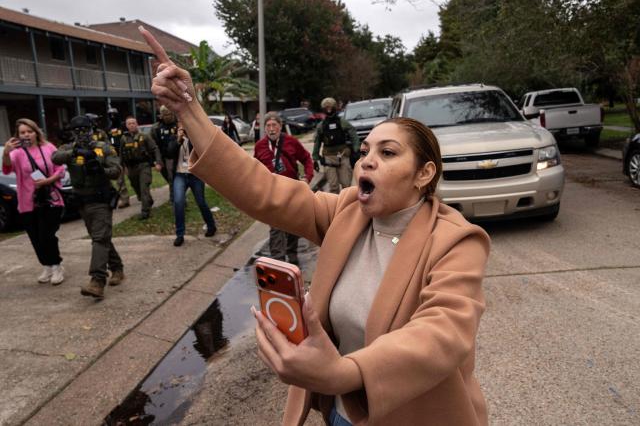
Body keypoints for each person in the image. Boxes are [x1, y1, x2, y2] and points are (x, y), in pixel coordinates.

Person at [142, 28, 491, 426]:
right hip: (341, 414)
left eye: (388, 152)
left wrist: (343, 374)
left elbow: (442, 335)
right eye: (365, 152)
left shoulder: (456, 240)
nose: (367, 161)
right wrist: (190, 111)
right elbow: (264, 191)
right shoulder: (346, 212)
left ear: (424, 173)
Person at [52, 115, 124, 299]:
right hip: (83, 202)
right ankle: (117, 267)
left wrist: (100, 169)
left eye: (85, 130)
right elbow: (55, 158)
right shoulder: (69, 149)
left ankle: (97, 281)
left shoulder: (103, 148)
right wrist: (74, 153)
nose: (82, 134)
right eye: (77, 131)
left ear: (92, 130)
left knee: (99, 238)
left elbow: (116, 171)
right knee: (100, 237)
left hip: (101, 199)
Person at [2, 118, 66, 285]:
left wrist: (47, 180)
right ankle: (46, 265)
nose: (26, 135)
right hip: (28, 201)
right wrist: (6, 153)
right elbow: (7, 169)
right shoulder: (17, 153)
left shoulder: (48, 147)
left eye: (29, 131)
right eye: (22, 132)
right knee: (35, 237)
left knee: (47, 235)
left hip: (50, 198)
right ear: (18, 136)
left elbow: (60, 169)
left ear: (36, 132)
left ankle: (56, 265)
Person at [253, 112, 314, 265]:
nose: (271, 129)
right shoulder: (260, 146)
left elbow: (306, 158)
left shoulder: (291, 142)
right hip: (272, 192)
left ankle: (292, 253)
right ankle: (278, 261)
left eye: (274, 125)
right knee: (276, 226)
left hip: (291, 189)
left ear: (280, 127)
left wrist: (307, 178)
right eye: (268, 126)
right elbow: (254, 168)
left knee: (293, 224)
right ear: (264, 128)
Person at [171, 123, 217, 247]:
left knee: (201, 201)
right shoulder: (174, 137)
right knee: (178, 202)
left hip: (195, 174)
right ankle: (180, 235)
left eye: (184, 126)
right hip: (180, 174)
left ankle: (211, 226)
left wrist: (190, 137)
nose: (182, 128)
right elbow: (169, 152)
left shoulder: (194, 137)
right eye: (180, 127)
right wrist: (178, 140)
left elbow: (201, 150)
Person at [312, 97, 359, 194]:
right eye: (326, 107)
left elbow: (353, 134)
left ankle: (347, 204)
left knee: (346, 184)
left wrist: (356, 149)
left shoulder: (342, 122)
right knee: (333, 186)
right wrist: (315, 158)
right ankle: (335, 205)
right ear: (323, 109)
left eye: (330, 107)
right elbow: (317, 142)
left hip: (343, 155)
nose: (329, 109)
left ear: (335, 107)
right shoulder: (321, 126)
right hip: (328, 157)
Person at [120, 116, 163, 220]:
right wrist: (122, 167)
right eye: (129, 123)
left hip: (144, 165)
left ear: (137, 124)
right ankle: (148, 200)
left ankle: (145, 212)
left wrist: (158, 163)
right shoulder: (123, 138)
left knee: (144, 187)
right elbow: (121, 153)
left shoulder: (145, 136)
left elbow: (155, 149)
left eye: (133, 123)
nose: (131, 125)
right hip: (131, 167)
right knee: (136, 187)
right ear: (126, 126)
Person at [151, 105, 179, 201]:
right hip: (164, 157)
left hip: (178, 156)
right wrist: (157, 160)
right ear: (161, 115)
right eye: (165, 115)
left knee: (174, 178)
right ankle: (176, 195)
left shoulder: (178, 125)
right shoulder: (156, 128)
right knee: (169, 178)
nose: (167, 117)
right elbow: (154, 145)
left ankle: (174, 198)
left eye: (169, 114)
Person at [106, 107, 131, 208]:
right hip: (116, 156)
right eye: (110, 115)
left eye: (114, 115)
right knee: (120, 180)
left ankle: (141, 194)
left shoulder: (123, 127)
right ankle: (124, 199)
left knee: (133, 176)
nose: (112, 117)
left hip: (128, 154)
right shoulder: (109, 129)